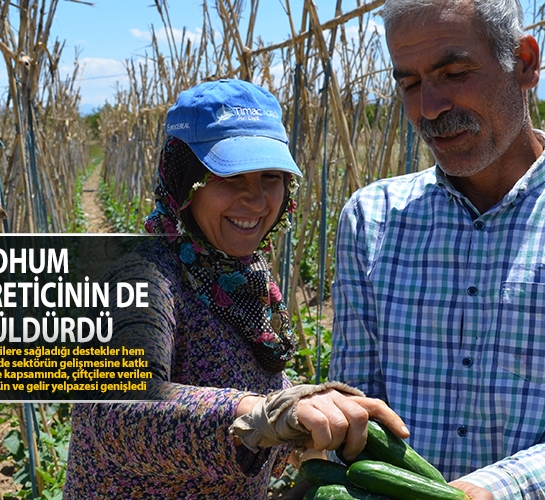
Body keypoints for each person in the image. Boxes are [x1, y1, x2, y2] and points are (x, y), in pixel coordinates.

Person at [331, 1, 545, 498]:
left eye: (455, 73)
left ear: (524, 63)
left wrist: (488, 492)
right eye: (409, 83)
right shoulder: (372, 218)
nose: (429, 107)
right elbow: (356, 405)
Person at [64, 79, 406, 499]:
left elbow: (250, 402)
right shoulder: (142, 278)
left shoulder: (240, 278)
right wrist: (260, 414)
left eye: (270, 177)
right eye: (230, 176)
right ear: (183, 179)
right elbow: (112, 412)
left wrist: (298, 416)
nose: (256, 200)